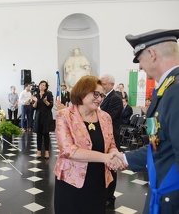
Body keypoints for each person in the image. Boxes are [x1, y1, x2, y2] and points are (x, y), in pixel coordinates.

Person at [118, 29, 179, 214]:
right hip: (162, 196)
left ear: (152, 54)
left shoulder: (176, 91)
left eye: (140, 61)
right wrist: (124, 157)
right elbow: (158, 143)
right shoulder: (166, 89)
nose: (140, 68)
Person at [54, 75, 122, 214]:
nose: (99, 98)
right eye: (95, 94)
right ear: (82, 91)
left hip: (98, 181)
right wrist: (105, 158)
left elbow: (111, 145)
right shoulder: (64, 115)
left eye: (102, 95)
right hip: (71, 181)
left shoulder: (105, 117)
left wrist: (114, 156)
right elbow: (68, 150)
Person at [100, 73, 123, 210]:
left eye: (103, 84)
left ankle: (110, 197)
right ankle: (103, 194)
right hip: (103, 136)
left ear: (111, 85)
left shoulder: (116, 98)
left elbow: (109, 117)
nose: (101, 86)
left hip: (111, 137)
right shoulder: (103, 97)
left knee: (112, 166)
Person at [32, 80, 54, 159]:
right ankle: (39, 151)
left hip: (46, 116)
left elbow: (50, 106)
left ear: (46, 87)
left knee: (46, 134)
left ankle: (47, 152)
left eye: (44, 85)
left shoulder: (49, 94)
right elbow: (34, 107)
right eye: (41, 85)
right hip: (38, 116)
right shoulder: (36, 95)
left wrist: (46, 102)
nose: (42, 86)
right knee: (39, 134)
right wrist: (36, 101)